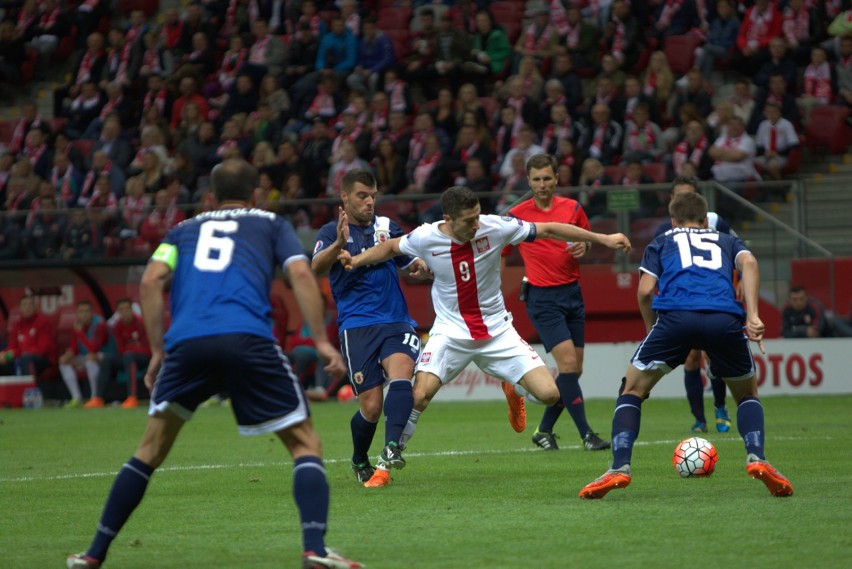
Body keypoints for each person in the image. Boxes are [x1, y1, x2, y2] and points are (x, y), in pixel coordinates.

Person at [66, 159, 363, 569]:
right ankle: (314, 548)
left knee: (149, 450)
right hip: (248, 339)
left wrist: (157, 351)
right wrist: (319, 341)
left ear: (209, 198)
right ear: (256, 194)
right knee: (305, 444)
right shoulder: (270, 224)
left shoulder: (182, 231)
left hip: (187, 345)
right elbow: (301, 274)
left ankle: (94, 553)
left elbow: (151, 281)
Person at [338, 186, 631, 478]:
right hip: (450, 333)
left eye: (478, 217)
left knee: (549, 394)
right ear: (448, 218)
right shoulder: (427, 236)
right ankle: (385, 465)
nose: (477, 224)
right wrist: (356, 260)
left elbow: (551, 229)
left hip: (498, 332)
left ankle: (513, 387)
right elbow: (390, 247)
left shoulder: (496, 226)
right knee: (419, 397)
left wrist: (602, 238)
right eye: (469, 220)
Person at [579, 191, 794, 499]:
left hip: (676, 320)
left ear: (673, 220)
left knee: (632, 390)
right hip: (724, 318)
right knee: (746, 394)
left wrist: (650, 329)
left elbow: (644, 290)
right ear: (706, 220)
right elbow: (750, 263)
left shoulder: (662, 241)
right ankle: (757, 457)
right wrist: (754, 315)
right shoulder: (725, 240)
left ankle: (619, 467)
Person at [312, 169, 430, 488]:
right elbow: (316, 267)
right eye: (362, 195)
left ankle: (392, 448)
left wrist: (417, 266)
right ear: (345, 197)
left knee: (403, 374)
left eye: (373, 195)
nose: (369, 201)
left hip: (396, 319)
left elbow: (406, 260)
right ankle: (360, 459)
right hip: (357, 326)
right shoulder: (330, 231)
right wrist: (338, 243)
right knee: (372, 407)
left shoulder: (386, 226)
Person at [505, 154, 610, 452]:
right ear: (528, 181)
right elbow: (499, 251)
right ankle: (587, 435)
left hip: (572, 293)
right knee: (567, 365)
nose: (542, 184)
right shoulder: (516, 215)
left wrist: (585, 245)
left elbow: (587, 238)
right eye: (536, 179)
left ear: (556, 178)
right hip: (542, 297)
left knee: (573, 372)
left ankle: (544, 430)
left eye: (547, 178)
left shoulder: (572, 208)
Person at [653, 177, 737, 434]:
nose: (683, 201)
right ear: (671, 201)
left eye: (688, 195)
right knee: (690, 357)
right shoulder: (663, 230)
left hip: (713, 297)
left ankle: (720, 406)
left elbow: (737, 248)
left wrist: (742, 277)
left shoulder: (715, 221)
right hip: (682, 302)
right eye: (679, 196)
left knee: (715, 354)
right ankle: (699, 419)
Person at [86, 298, 151, 409]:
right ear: (118, 312)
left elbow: (148, 348)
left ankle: (132, 398)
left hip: (145, 359)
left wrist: (131, 349)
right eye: (121, 309)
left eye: (127, 309)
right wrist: (130, 350)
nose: (125, 312)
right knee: (107, 359)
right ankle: (98, 398)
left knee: (129, 356)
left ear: (132, 310)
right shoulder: (118, 327)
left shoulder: (141, 323)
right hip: (127, 357)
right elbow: (120, 348)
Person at [58, 300, 109, 407]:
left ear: (92, 312)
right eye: (81, 311)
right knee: (64, 362)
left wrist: (80, 333)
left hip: (104, 355)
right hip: (85, 357)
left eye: (87, 311)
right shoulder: (78, 325)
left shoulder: (99, 324)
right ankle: (76, 398)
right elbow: (73, 348)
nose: (84, 314)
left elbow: (94, 348)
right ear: (77, 313)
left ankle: (95, 397)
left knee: (90, 359)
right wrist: (68, 356)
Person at [0, 295, 55, 380]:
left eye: (30, 304)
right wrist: (4, 354)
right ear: (20, 308)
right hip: (22, 357)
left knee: (26, 359)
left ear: (35, 307)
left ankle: (29, 390)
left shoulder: (43, 322)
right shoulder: (17, 325)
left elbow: (42, 349)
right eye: (24, 305)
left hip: (43, 359)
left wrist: (15, 353)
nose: (28, 307)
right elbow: (13, 345)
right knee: (3, 360)